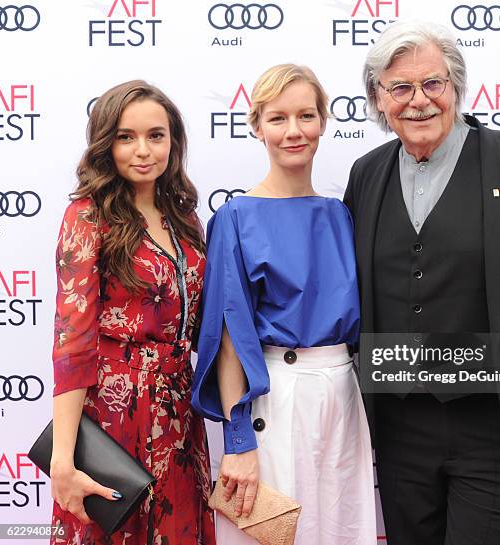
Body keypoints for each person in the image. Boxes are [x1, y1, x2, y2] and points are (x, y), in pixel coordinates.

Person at [344, 21, 500, 545]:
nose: (419, 102)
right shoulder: (366, 175)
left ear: (456, 87)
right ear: (379, 100)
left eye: (433, 84)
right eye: (401, 88)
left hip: (499, 430)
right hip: (399, 432)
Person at [191, 64, 377, 545]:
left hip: (342, 396)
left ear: (323, 121)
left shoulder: (341, 215)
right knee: (268, 534)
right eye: (277, 118)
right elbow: (229, 340)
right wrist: (237, 443)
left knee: (340, 531)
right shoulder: (234, 217)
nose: (294, 131)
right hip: (273, 399)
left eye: (306, 115)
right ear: (256, 126)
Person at [50, 80, 215, 545]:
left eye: (156, 136)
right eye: (126, 137)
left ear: (173, 141)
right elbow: (72, 341)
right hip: (114, 413)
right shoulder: (88, 216)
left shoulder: (183, 216)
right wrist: (63, 458)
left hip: (180, 415)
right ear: (106, 144)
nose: (143, 150)